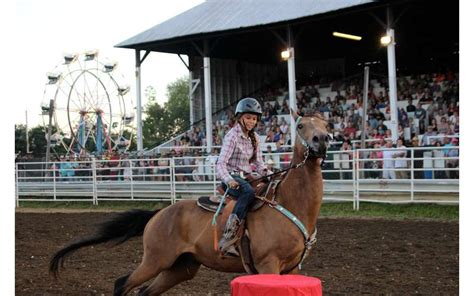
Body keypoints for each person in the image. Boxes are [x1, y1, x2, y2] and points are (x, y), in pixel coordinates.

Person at [216, 97, 271, 256]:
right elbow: (220, 164)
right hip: (232, 177)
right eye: (248, 117)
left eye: (254, 118)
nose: (251, 121)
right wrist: (229, 180)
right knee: (248, 192)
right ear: (240, 118)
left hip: (246, 177)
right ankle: (228, 236)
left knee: (268, 189)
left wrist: (267, 173)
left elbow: (259, 163)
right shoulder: (231, 136)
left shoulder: (254, 138)